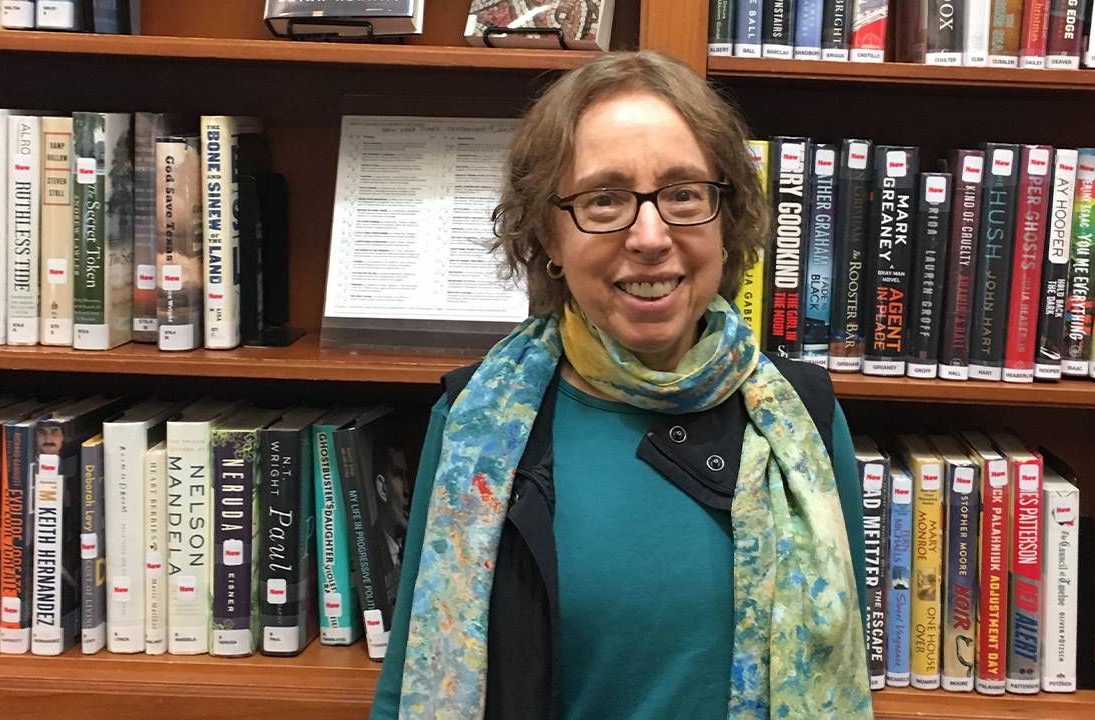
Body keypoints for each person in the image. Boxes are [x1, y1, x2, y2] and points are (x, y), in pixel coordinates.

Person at [371, 50, 872, 720]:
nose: (650, 236)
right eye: (603, 199)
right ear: (547, 232)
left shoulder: (804, 417)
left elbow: (846, 658)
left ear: (727, 217)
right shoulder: (471, 423)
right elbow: (410, 679)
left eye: (684, 194)